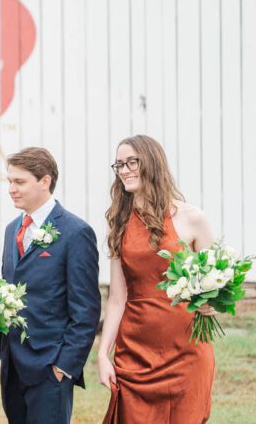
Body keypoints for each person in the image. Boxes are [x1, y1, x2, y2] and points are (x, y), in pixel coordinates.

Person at [98, 135, 215, 423]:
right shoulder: (119, 222)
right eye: (119, 165)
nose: (124, 170)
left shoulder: (193, 218)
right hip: (136, 351)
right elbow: (116, 298)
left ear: (151, 163)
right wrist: (103, 354)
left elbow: (215, 284)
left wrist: (211, 304)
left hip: (187, 349)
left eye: (131, 162)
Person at [0, 147, 100, 424]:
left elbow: (86, 309)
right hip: (13, 369)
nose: (11, 189)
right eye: (9, 181)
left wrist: (63, 366)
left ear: (45, 181)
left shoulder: (76, 232)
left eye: (19, 182)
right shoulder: (11, 230)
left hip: (49, 368)